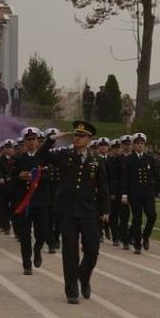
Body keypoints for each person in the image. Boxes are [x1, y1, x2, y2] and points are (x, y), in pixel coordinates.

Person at [36, 121, 110, 304]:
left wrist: (106, 210)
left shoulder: (96, 161)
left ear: (89, 140)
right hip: (67, 211)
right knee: (70, 251)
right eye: (76, 135)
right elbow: (40, 157)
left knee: (92, 250)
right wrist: (51, 140)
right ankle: (71, 290)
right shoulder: (64, 156)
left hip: (89, 211)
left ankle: (84, 277)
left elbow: (103, 187)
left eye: (81, 136)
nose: (77, 139)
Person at [12, 127, 52, 275]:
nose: (31, 142)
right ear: (24, 142)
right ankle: (26, 263)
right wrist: (21, 177)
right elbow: (12, 178)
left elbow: (50, 177)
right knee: (24, 234)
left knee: (42, 231)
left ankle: (37, 249)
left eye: (33, 139)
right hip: (24, 202)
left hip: (40, 200)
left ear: (38, 141)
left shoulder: (44, 158)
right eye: (28, 140)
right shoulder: (18, 159)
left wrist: (37, 177)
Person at [122, 132, 160, 254]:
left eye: (142, 144)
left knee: (152, 215)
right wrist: (124, 194)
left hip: (148, 192)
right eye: (137, 144)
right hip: (134, 193)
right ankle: (137, 244)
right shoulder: (129, 160)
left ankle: (146, 236)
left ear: (144, 145)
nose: (139, 146)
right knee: (137, 219)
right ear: (133, 145)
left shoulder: (149, 158)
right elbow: (125, 178)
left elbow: (155, 172)